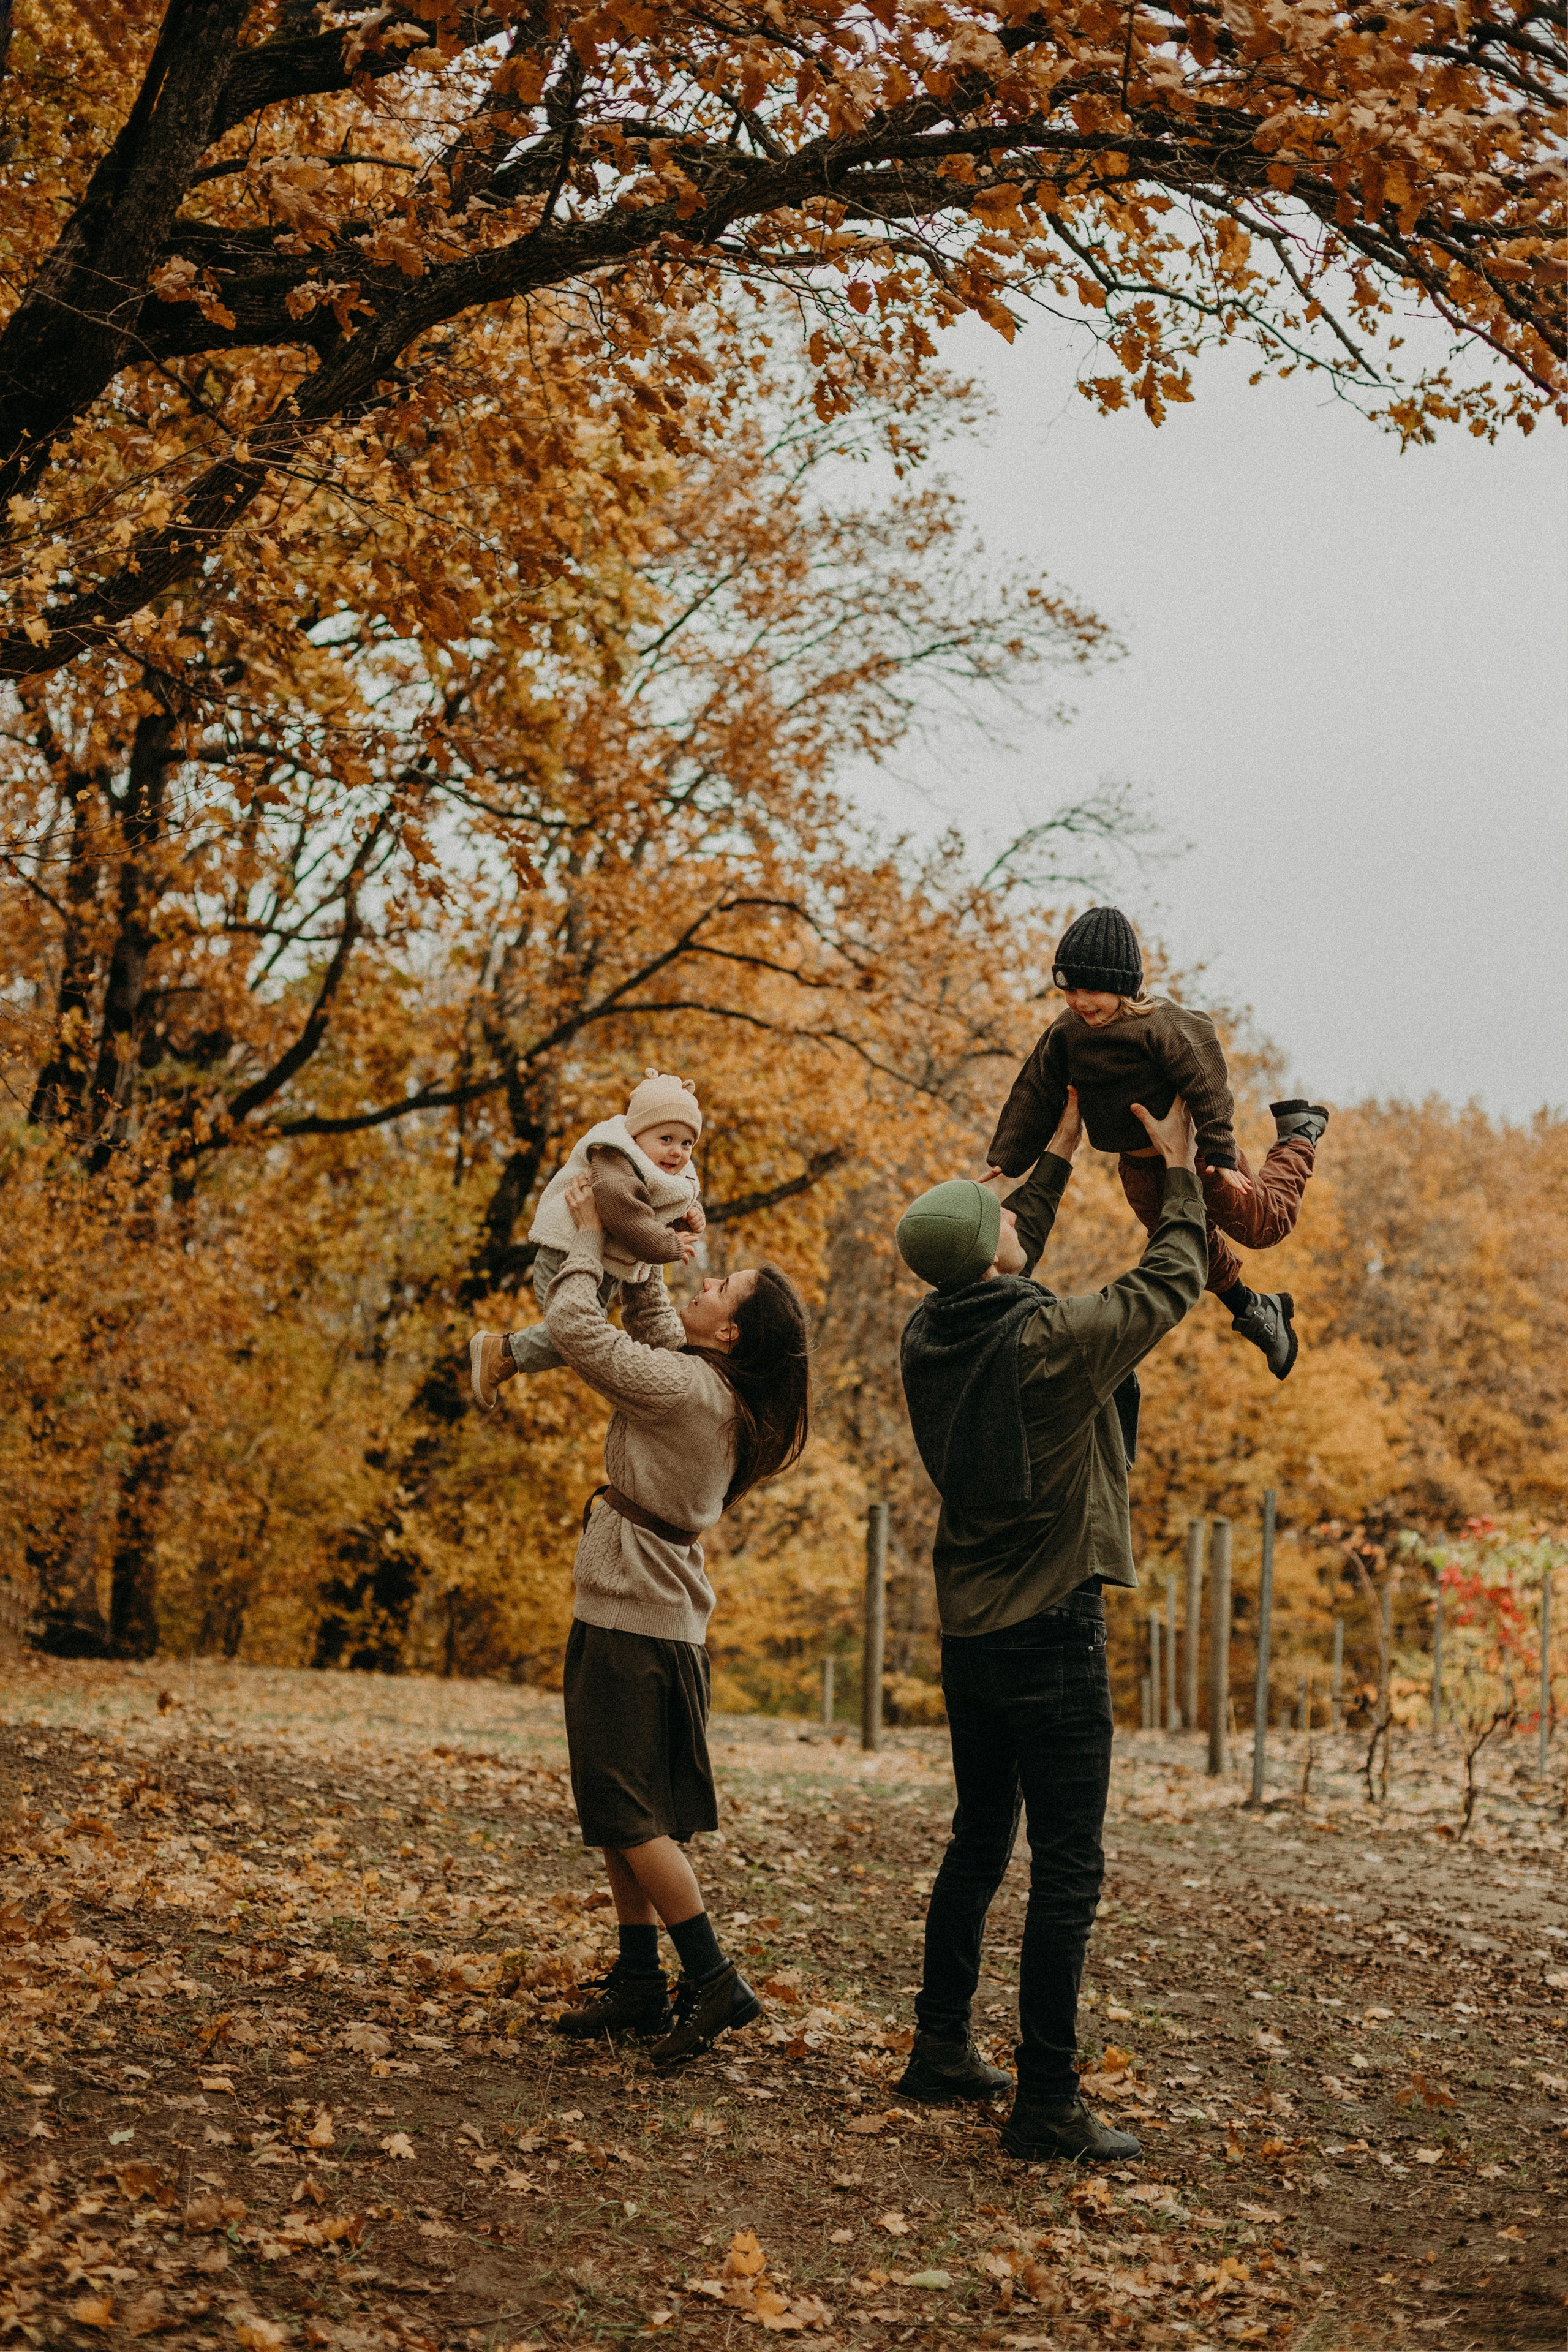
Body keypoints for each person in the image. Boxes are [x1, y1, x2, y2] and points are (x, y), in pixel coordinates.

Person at [892, 1084, 1208, 2163]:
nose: (1019, 1232)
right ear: (994, 1256)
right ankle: (1046, 2104)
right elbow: (1170, 1282)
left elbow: (999, 1247)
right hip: (1053, 1636)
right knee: (1067, 1867)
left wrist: (1060, 1151)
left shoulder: (928, 1332)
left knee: (980, 1839)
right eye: (1009, 1228)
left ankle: (940, 2047)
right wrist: (1176, 1174)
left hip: (970, 1637)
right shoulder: (1049, 1346)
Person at [537, 1167, 811, 2071]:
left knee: (628, 1813)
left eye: (719, 1289)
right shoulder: (709, 1384)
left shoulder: (691, 1394)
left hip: (634, 1625)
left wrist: (585, 1237)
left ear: (730, 1333)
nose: (707, 1282)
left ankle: (715, 1978)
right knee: (626, 1812)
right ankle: (639, 1983)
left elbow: (580, 1332)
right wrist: (655, 1245)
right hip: (652, 1620)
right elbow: (655, 1325)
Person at [985, 905, 1328, 1381]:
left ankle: (1298, 1135)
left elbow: (1207, 1081)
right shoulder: (1067, 1033)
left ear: (1124, 985)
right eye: (1070, 990)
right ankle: (1257, 1311)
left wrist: (1222, 1151)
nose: (1081, 1002)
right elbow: (1036, 1089)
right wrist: (1008, 1156)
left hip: (1199, 1156)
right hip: (1138, 1168)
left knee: (1263, 1227)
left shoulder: (1161, 1025)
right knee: (1186, 1248)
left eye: (1093, 990)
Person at [468, 1068, 706, 1405]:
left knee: (581, 1337)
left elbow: (663, 1209)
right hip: (565, 1255)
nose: (677, 1152)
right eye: (666, 1140)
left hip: (599, 1266)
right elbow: (625, 1213)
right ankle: (502, 1353)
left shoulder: (663, 1168)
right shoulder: (615, 1157)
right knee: (576, 1336)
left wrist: (689, 1217)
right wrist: (666, 1244)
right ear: (636, 1135)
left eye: (686, 1144)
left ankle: (502, 1353)